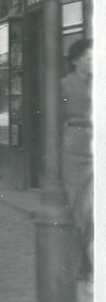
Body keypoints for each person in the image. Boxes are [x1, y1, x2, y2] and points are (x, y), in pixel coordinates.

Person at [60, 39, 92, 276]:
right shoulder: (65, 85)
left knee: (94, 207)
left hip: (97, 147)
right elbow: (57, 118)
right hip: (74, 146)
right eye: (88, 58)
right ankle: (78, 258)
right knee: (76, 204)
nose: (93, 61)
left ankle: (89, 256)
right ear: (74, 61)